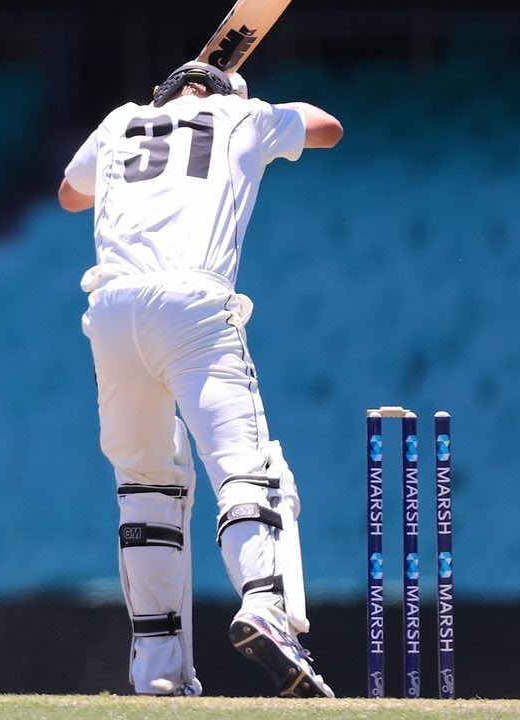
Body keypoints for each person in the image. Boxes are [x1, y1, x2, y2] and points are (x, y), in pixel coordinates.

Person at [57, 61, 342, 698]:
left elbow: (70, 195)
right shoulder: (241, 114)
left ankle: (157, 672)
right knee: (246, 466)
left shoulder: (119, 121)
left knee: (146, 487)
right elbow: (330, 128)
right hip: (191, 303)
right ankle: (265, 605)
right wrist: (248, 104)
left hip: (111, 311)